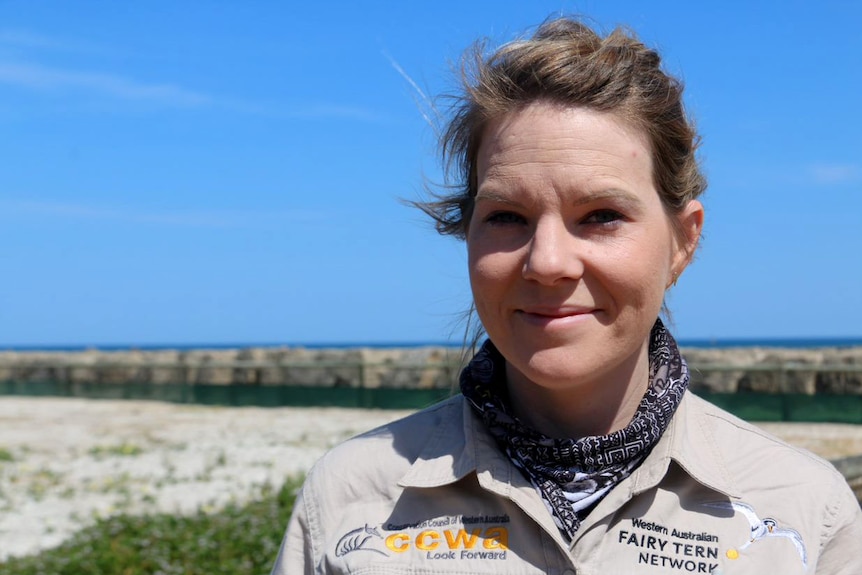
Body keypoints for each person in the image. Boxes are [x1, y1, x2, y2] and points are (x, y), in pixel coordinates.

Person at [272, 17, 862, 575]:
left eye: (601, 215)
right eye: (506, 216)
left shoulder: (805, 513)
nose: (547, 262)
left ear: (683, 241)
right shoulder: (351, 495)